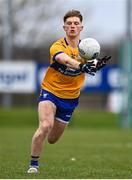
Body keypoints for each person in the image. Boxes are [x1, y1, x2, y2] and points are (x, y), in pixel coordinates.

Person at [27, 9, 111, 173]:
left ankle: (37, 157)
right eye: (69, 24)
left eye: (76, 24)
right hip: (50, 91)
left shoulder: (87, 49)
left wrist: (95, 65)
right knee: (45, 125)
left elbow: (90, 65)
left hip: (71, 98)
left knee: (52, 139)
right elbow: (62, 59)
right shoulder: (57, 46)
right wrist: (82, 66)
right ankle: (33, 165)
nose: (72, 26)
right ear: (64, 27)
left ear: (81, 28)